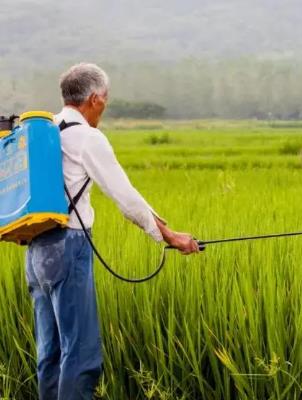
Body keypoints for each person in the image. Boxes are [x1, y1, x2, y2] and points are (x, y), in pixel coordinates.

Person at [25, 63, 199, 400]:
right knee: (81, 354)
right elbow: (127, 198)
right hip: (68, 247)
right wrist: (170, 236)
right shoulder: (86, 137)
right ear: (93, 99)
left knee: (50, 352)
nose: (105, 106)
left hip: (36, 250)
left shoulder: (45, 132)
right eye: (104, 99)